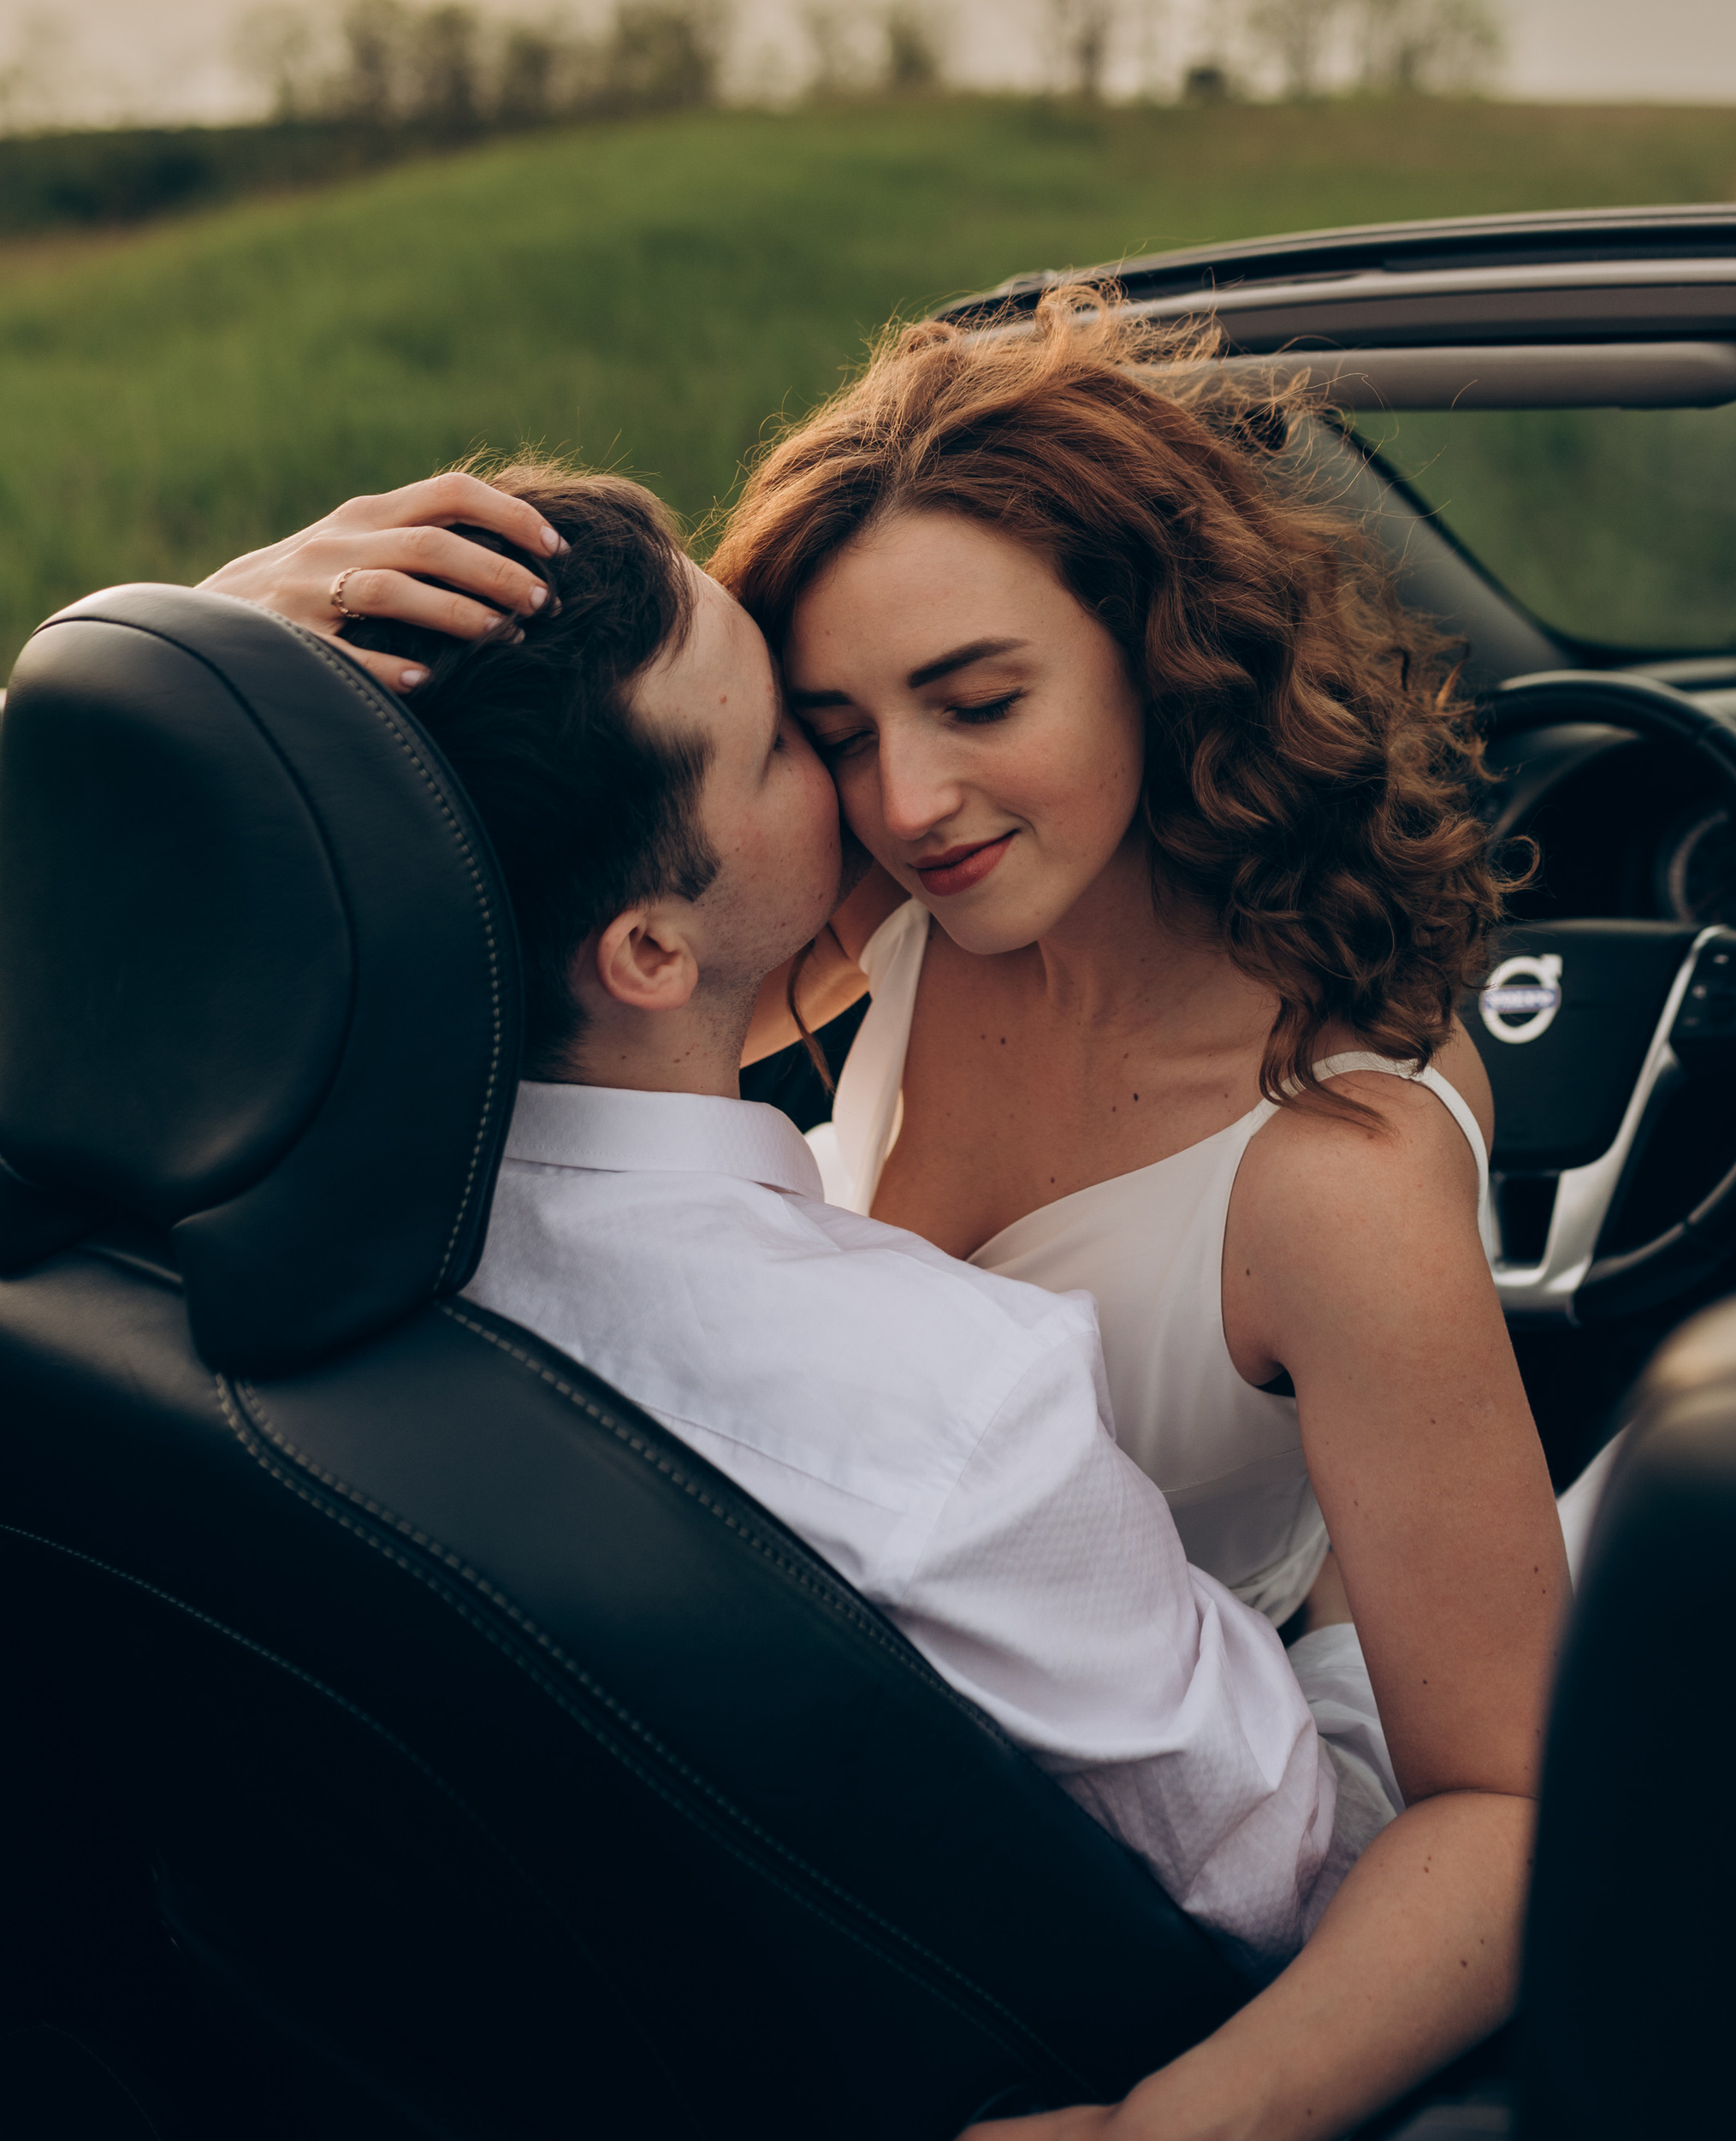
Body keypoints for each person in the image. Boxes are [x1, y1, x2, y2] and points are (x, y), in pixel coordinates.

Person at [202, 457, 1511, 2138]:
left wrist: (224, 678)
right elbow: (1350, 1848)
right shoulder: (957, 1379)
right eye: (808, 734)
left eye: (979, 700)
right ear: (649, 951)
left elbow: (493, 848)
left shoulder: (257, 1201)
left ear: (1167, 659)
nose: (898, 806)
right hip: (1232, 1776)